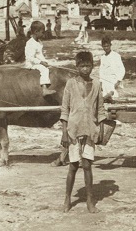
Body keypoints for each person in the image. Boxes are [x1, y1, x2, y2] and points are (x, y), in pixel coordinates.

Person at [60, 51, 105, 213]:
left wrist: (100, 130)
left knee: (87, 165)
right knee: (73, 166)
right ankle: (67, 199)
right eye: (82, 66)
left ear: (93, 66)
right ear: (77, 67)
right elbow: (65, 109)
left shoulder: (97, 84)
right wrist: (64, 133)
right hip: (73, 130)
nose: (85, 69)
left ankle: (90, 201)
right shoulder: (70, 84)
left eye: (88, 66)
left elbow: (100, 109)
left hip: (90, 129)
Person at [24, 21, 54, 96]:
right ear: (36, 32)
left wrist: (45, 61)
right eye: (42, 32)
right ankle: (44, 89)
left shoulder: (39, 42)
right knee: (44, 69)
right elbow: (30, 58)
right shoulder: (30, 43)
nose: (43, 34)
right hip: (31, 63)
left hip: (37, 61)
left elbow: (40, 55)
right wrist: (41, 62)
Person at [96, 34, 125, 100]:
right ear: (102, 46)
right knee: (104, 95)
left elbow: (122, 69)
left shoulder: (116, 56)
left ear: (110, 45)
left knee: (113, 96)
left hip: (113, 80)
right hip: (105, 80)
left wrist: (118, 81)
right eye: (104, 46)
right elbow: (101, 70)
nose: (106, 48)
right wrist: (101, 82)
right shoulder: (103, 57)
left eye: (107, 46)